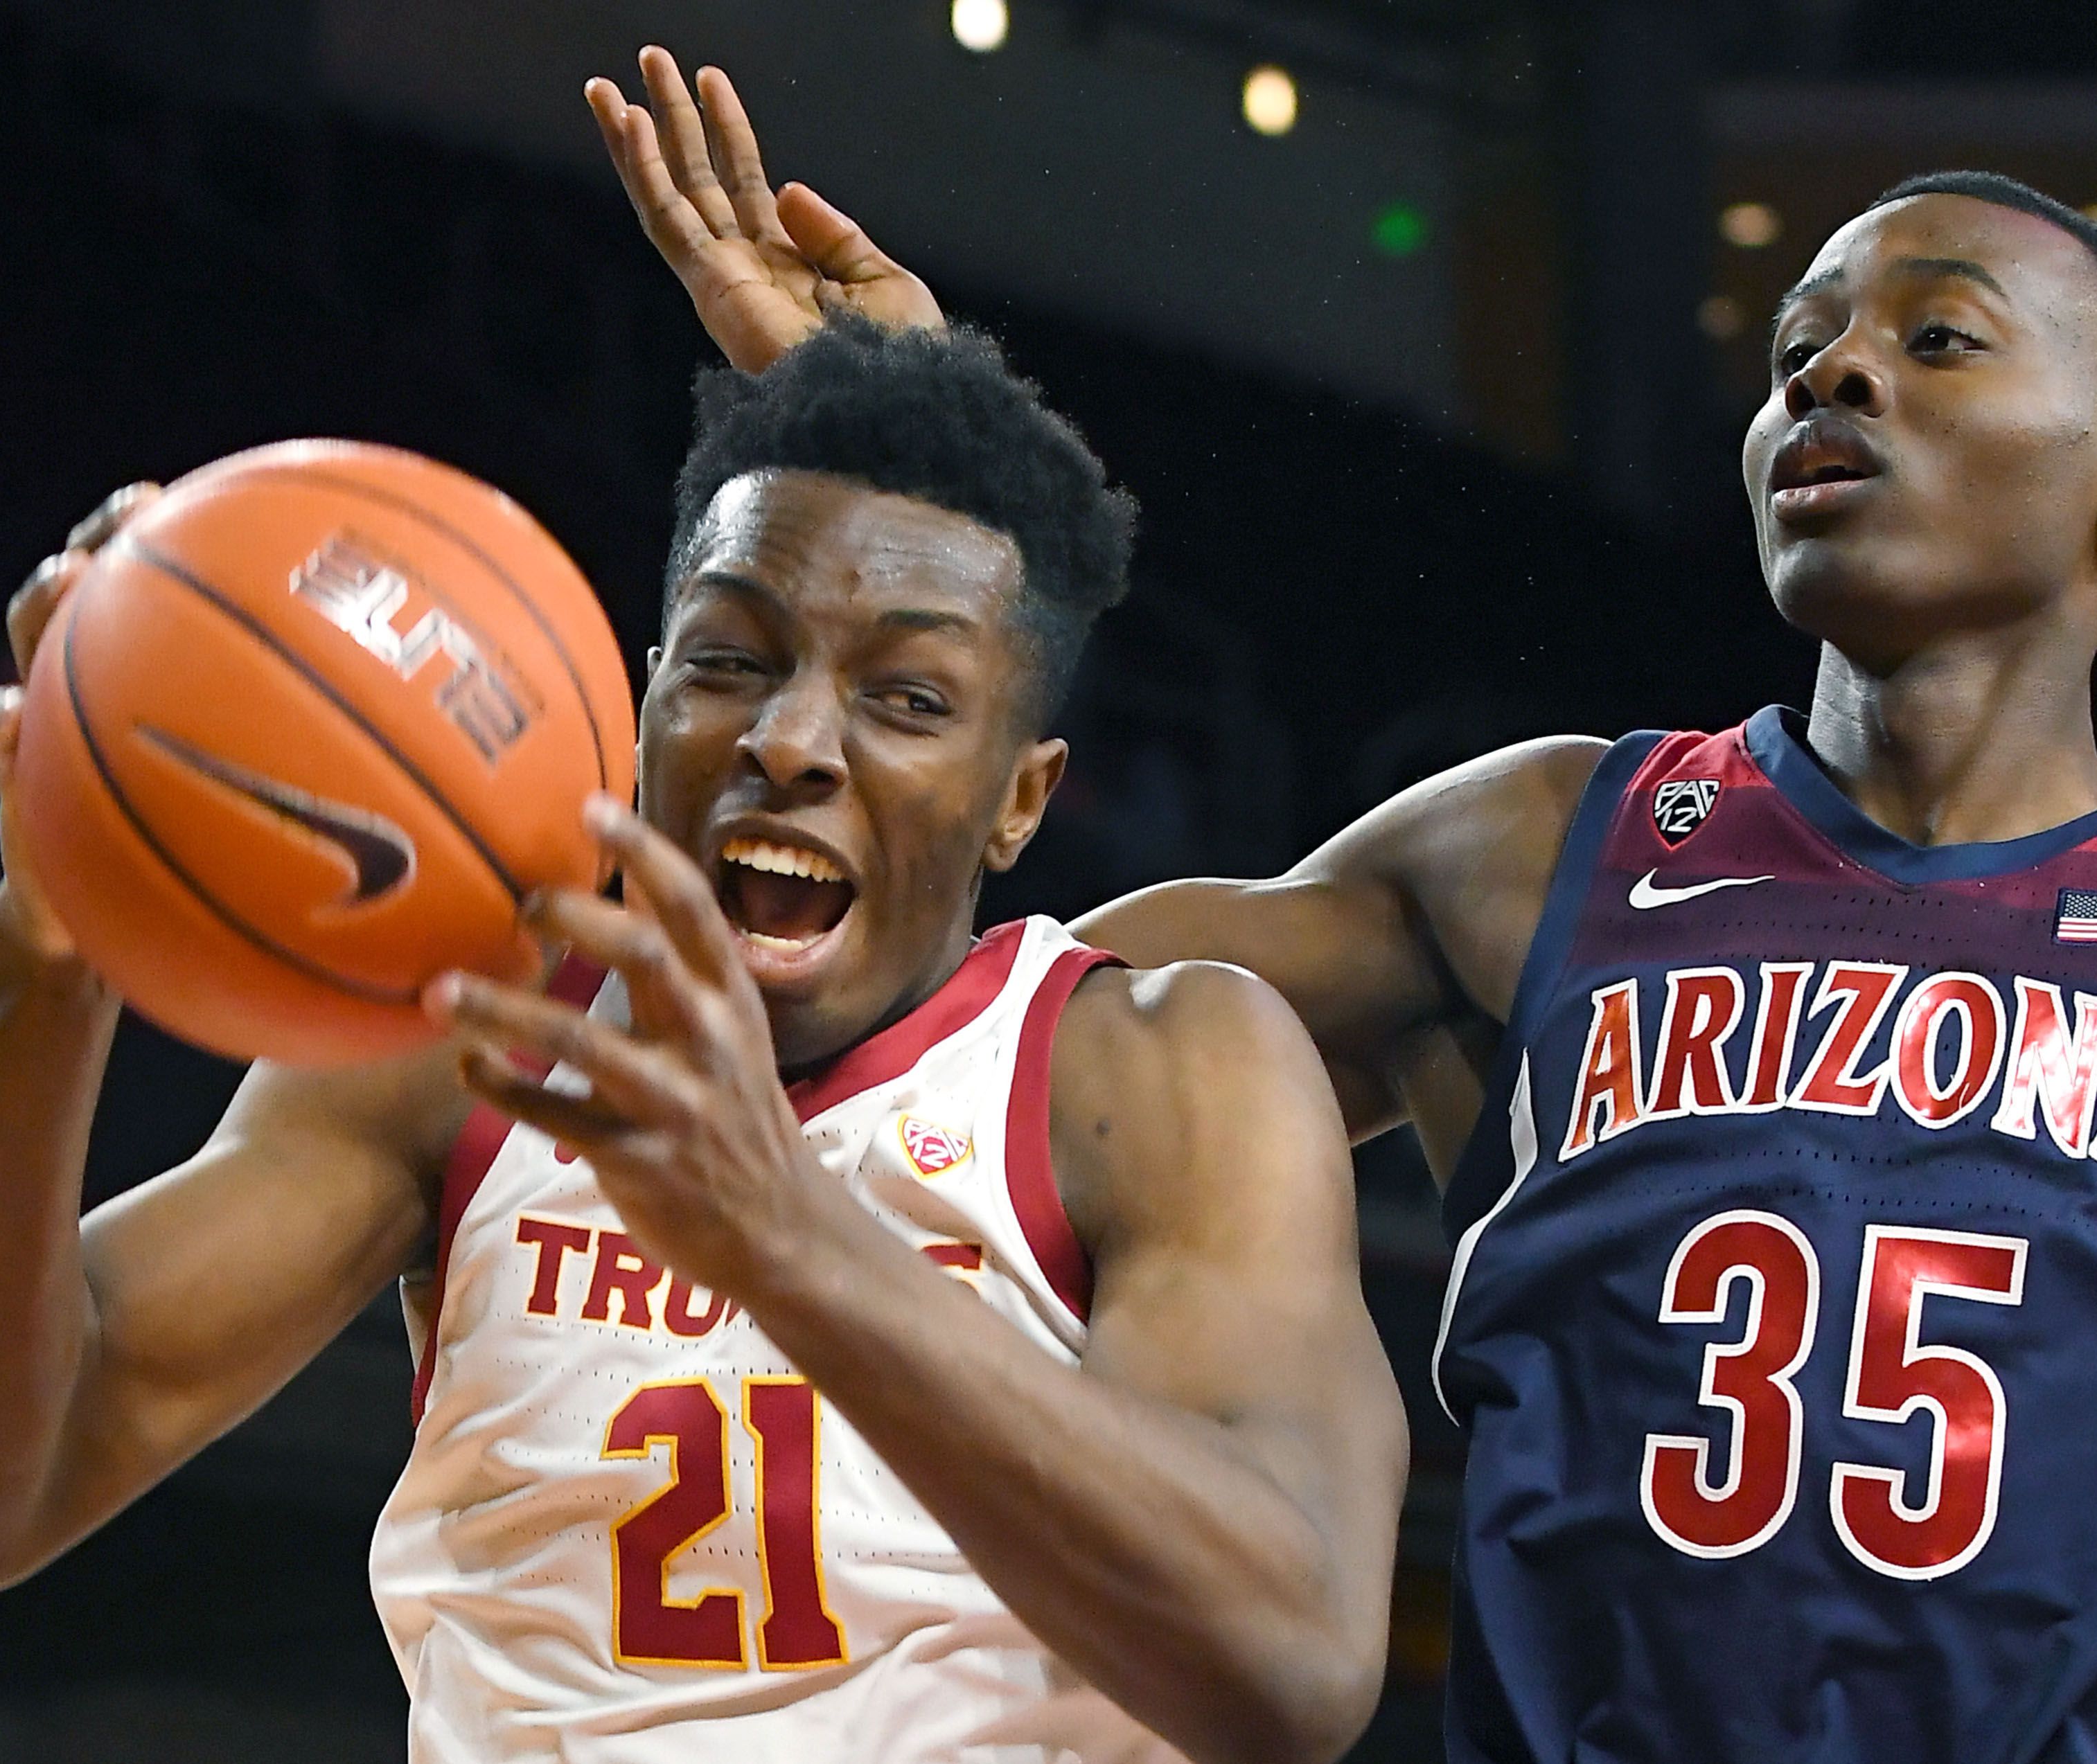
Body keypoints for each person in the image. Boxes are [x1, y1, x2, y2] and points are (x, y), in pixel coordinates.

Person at [592, 47, 2097, 1763]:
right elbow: (985, 1019)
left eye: (1938, 338)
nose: (1835, 371)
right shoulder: (1555, 841)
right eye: (1796, 349)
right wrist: (934, 481)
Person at [0, 316, 1408, 1763]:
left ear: (1021, 796)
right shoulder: (470, 1028)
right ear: (642, 694)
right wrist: (45, 954)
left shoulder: (1149, 1068)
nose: (789, 738)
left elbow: (1288, 1660)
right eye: (728, 657)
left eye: (909, 699)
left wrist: (783, 1228)